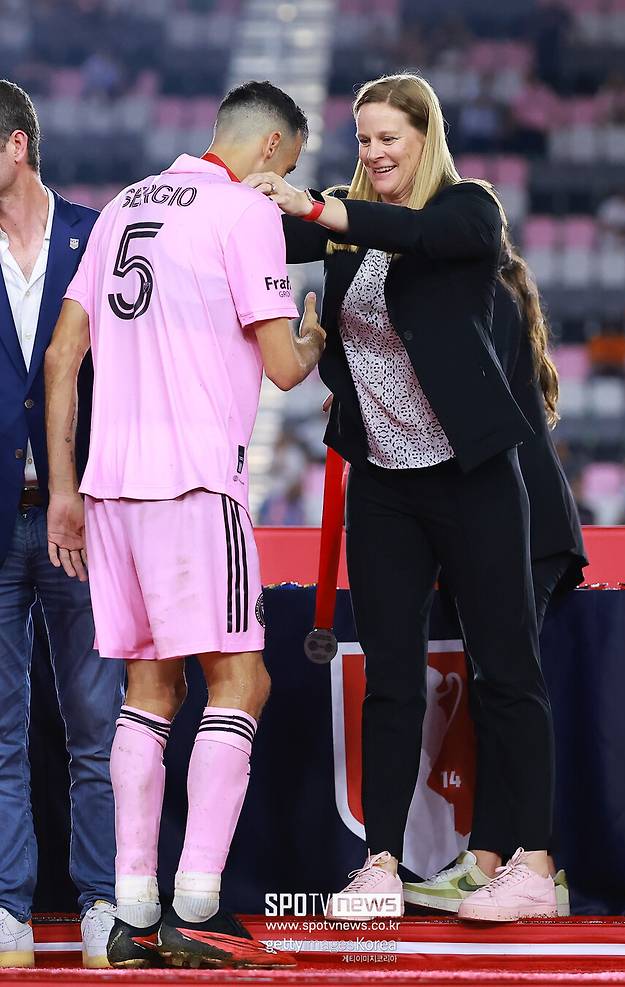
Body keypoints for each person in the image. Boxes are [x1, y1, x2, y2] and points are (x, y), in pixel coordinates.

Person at [246, 73, 558, 922]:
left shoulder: (468, 211)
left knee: (507, 669)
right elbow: (259, 232)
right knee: (389, 678)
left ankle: (533, 864)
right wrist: (220, 193)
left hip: (473, 479)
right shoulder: (344, 228)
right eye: (364, 139)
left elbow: (411, 234)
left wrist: (318, 208)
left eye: (390, 137)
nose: (375, 152)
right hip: (384, 484)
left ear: (425, 137)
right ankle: (380, 862)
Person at [44, 80, 324, 968]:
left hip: (109, 487)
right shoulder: (246, 212)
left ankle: (131, 912)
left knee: (148, 690)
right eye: (292, 161)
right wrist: (313, 340)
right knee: (242, 682)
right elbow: (282, 367)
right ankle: (198, 902)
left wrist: (64, 486)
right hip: (197, 482)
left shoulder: (123, 205)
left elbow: (63, 353)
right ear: (273, 147)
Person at [403, 235, 588, 914]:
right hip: (514, 521)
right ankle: (487, 860)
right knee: (495, 688)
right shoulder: (498, 296)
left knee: (506, 686)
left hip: (525, 522)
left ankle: (527, 865)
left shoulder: (486, 300)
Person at [0, 79, 124, 969]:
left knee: (96, 724)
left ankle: (102, 899)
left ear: (16, 145)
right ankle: (6, 906)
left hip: (79, 518)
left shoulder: (98, 236)